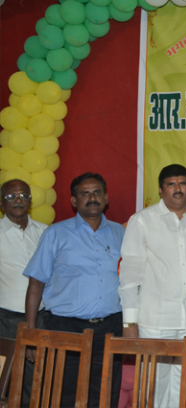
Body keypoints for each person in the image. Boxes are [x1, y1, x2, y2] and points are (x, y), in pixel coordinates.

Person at [118, 164, 186, 408]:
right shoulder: (142, 221)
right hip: (155, 321)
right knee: (153, 386)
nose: (177, 188)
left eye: (182, 183)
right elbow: (129, 277)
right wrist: (129, 324)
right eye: (171, 184)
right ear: (161, 189)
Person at [24, 172, 125, 408]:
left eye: (97, 192)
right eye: (85, 193)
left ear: (106, 198)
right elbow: (36, 284)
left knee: (105, 396)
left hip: (110, 328)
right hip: (65, 328)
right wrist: (31, 332)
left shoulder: (121, 234)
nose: (92, 198)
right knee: (62, 395)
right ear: (73, 200)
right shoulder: (55, 234)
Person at [0, 179, 48, 405]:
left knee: (38, 379)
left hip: (42, 317)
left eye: (23, 196)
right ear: (2, 203)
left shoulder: (46, 232)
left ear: (30, 201)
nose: (18, 200)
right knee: (7, 381)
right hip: (6, 320)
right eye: (11, 196)